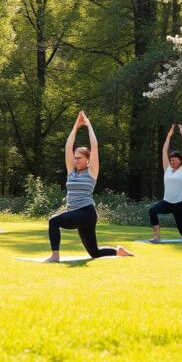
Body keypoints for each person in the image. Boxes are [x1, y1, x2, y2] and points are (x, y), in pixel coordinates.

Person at [43, 111, 133, 262]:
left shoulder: (92, 172)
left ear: (87, 160)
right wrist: (75, 127)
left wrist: (89, 125)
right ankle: (119, 251)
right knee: (95, 253)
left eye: (79, 158)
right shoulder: (71, 172)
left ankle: (55, 255)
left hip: (86, 213)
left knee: (54, 220)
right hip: (77, 214)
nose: (76, 160)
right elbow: (68, 147)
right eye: (75, 158)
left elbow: (95, 146)